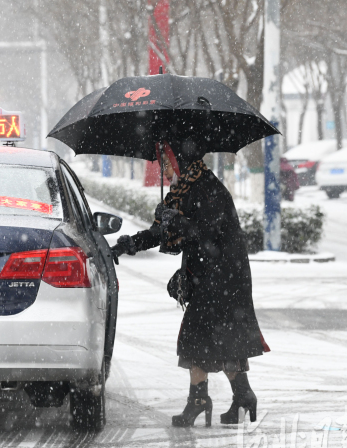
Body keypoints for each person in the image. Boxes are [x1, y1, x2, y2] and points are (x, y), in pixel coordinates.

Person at [112, 141, 269, 427]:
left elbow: (208, 233)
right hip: (210, 274)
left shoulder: (207, 187)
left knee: (196, 338)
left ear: (183, 158)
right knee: (221, 339)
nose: (164, 166)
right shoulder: (184, 188)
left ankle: (200, 401)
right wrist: (128, 245)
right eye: (164, 160)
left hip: (224, 275)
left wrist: (181, 222)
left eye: (168, 159)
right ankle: (243, 396)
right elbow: (163, 232)